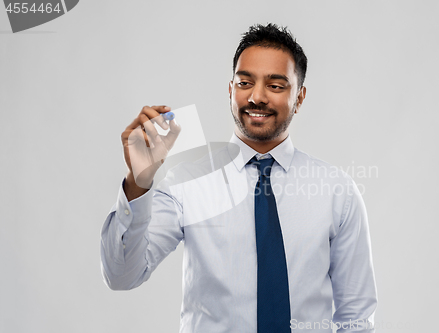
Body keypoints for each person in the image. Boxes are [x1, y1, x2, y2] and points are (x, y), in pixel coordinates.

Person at [101, 23, 377, 332]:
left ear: (299, 98)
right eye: (245, 82)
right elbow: (121, 275)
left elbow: (356, 316)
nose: (256, 97)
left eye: (275, 85)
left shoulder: (336, 191)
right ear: (230, 90)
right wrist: (138, 180)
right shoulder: (187, 182)